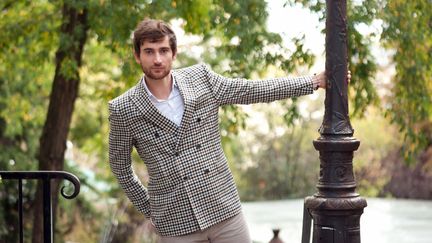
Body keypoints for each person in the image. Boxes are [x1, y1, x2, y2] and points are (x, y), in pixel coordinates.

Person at [108, 18, 327, 243]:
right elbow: (120, 167)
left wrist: (312, 82)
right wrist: (150, 209)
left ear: (174, 53)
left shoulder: (201, 78)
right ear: (137, 56)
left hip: (224, 209)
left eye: (163, 50)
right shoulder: (123, 109)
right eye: (149, 51)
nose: (157, 59)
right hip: (174, 222)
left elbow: (251, 90)